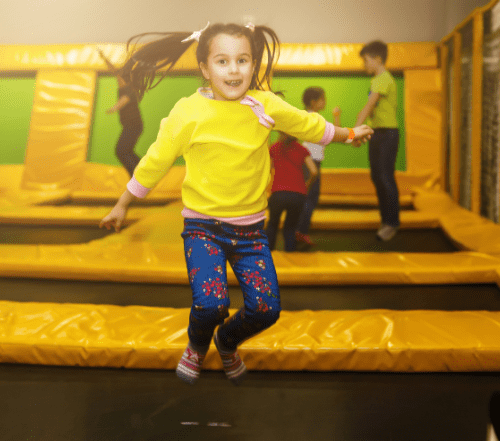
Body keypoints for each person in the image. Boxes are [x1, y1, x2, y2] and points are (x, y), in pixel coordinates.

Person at [99, 22, 373, 386]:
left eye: (242, 60)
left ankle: (226, 342)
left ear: (253, 64)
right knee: (210, 305)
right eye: (222, 61)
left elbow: (310, 126)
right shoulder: (188, 112)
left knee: (266, 309)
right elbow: (153, 162)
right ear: (205, 68)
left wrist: (349, 133)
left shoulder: (265, 104)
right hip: (203, 229)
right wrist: (122, 203)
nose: (233, 70)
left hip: (251, 232)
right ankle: (197, 347)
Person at [355, 40, 400, 241]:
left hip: (387, 134)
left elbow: (368, 107)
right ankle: (386, 220)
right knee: (377, 177)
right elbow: (371, 110)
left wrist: (354, 131)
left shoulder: (382, 78)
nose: (364, 65)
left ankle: (392, 223)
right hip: (378, 133)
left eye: (366, 60)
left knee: (385, 177)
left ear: (378, 59)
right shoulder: (377, 80)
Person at [295, 87, 341, 248]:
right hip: (311, 161)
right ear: (314, 102)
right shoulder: (315, 118)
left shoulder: (310, 116)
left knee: (308, 197)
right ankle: (301, 230)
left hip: (310, 160)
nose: (325, 102)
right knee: (311, 197)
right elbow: (336, 135)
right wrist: (337, 118)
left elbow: (335, 134)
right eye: (323, 99)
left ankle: (300, 229)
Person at [267, 132, 318, 252]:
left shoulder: (275, 148)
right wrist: (307, 185)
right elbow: (314, 171)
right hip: (298, 194)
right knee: (290, 227)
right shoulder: (302, 149)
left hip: (278, 193)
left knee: (272, 225)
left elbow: (267, 169)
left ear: (280, 134)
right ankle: (291, 257)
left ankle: (269, 254)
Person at [98, 49, 143, 178]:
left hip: (134, 127)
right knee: (125, 151)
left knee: (121, 151)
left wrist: (114, 108)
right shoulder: (123, 86)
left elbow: (124, 100)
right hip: (130, 126)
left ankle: (137, 176)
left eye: (121, 79)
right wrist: (104, 58)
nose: (118, 80)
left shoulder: (129, 90)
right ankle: (142, 170)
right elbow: (115, 71)